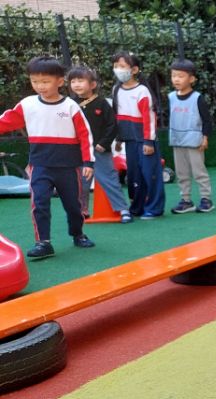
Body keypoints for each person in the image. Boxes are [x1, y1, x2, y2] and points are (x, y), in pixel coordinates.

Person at [0, 56, 95, 258]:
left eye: (45, 81)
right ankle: (43, 242)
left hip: (68, 167)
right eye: (35, 81)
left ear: (60, 81)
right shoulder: (27, 104)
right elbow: (6, 122)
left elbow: (85, 134)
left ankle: (78, 234)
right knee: (39, 203)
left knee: (74, 205)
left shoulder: (70, 106)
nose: (40, 86)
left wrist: (88, 162)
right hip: (40, 165)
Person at [67, 65, 132, 223]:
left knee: (108, 178)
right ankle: (82, 211)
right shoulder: (70, 104)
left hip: (99, 149)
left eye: (80, 80)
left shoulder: (102, 103)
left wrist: (103, 143)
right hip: (79, 151)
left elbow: (112, 125)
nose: (76, 84)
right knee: (80, 182)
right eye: (73, 81)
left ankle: (123, 209)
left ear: (93, 84)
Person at [112, 51, 166, 219]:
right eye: (115, 66)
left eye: (122, 66)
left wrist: (149, 141)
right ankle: (137, 206)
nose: (118, 69)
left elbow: (149, 118)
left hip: (144, 140)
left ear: (134, 70)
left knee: (150, 174)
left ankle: (155, 208)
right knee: (134, 175)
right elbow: (116, 115)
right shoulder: (116, 89)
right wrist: (118, 138)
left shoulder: (142, 91)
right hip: (129, 140)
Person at [167, 59, 214, 214]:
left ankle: (206, 199)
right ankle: (186, 200)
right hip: (177, 141)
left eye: (181, 76)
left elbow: (207, 120)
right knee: (181, 173)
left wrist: (205, 137)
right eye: (174, 76)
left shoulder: (197, 98)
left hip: (195, 142)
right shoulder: (171, 97)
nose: (176, 79)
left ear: (192, 79)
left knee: (199, 171)